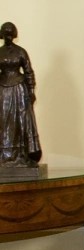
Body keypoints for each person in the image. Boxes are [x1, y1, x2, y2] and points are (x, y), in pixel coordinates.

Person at [0, 22, 41, 168]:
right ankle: (4, 156)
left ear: (14, 34)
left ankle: (22, 155)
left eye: (10, 33)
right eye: (6, 33)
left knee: (21, 121)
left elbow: (29, 72)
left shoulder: (21, 52)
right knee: (3, 122)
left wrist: (31, 91)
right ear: (2, 35)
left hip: (19, 90)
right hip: (3, 90)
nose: (8, 36)